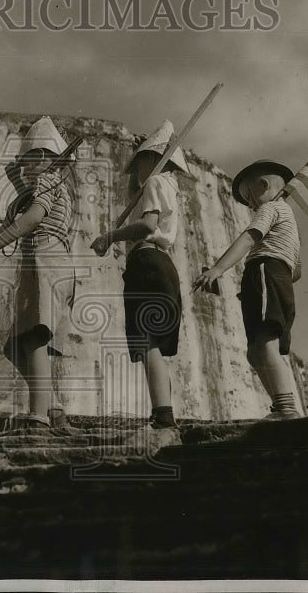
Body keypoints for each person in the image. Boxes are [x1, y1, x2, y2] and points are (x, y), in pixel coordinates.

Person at [0, 117, 77, 430]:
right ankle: (53, 406)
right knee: (16, 346)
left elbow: (31, 217)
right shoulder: (55, 183)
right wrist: (19, 170)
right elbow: (24, 193)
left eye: (31, 159)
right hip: (51, 261)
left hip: (44, 258)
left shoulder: (47, 181)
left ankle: (38, 418)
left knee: (34, 339)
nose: (26, 166)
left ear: (46, 159)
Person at [91, 120, 185, 430]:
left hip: (146, 262)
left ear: (155, 159)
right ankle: (163, 411)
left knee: (147, 342)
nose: (136, 169)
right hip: (161, 265)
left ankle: (162, 415)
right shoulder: (168, 187)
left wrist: (110, 236)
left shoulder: (157, 183)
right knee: (152, 343)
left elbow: (147, 226)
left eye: (140, 161)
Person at [194, 160, 303, 420]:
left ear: (263, 186)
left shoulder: (271, 207)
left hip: (265, 272)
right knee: (255, 351)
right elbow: (297, 270)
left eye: (249, 198)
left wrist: (218, 269)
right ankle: (280, 405)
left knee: (264, 342)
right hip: (279, 277)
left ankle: (287, 408)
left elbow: (248, 237)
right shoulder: (291, 221)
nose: (251, 205)